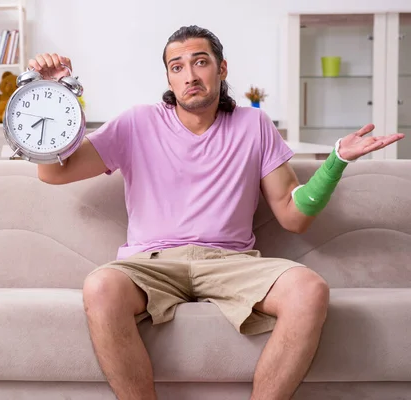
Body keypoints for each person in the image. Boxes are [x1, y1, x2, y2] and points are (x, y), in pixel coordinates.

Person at [29, 25, 404, 400]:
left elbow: (294, 215)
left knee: (309, 290)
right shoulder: (137, 123)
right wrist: (54, 94)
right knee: (100, 286)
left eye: (200, 62)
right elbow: (52, 172)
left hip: (231, 261)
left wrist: (335, 160)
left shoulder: (254, 124)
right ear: (168, 78)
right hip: (152, 262)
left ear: (222, 70)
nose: (189, 75)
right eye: (177, 67)